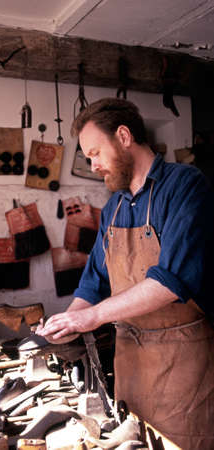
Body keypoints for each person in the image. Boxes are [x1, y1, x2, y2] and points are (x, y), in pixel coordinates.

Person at [37, 97, 214, 449]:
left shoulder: (185, 186)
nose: (93, 165)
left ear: (123, 136)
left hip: (183, 368)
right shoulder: (116, 205)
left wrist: (93, 317)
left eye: (95, 153)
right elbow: (94, 281)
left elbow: (169, 282)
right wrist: (66, 323)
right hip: (130, 365)